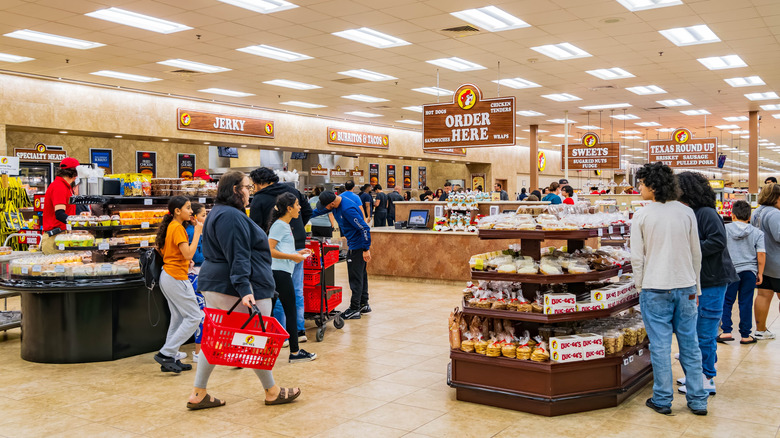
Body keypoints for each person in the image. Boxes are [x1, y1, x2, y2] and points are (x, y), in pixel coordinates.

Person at [188, 171, 300, 410]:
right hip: (239, 288)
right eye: (247, 187)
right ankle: (272, 391)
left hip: (219, 285)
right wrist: (245, 289)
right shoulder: (231, 216)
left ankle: (199, 393)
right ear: (236, 190)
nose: (251, 191)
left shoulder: (219, 213)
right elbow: (238, 255)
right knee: (255, 340)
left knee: (215, 340)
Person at [630, 162, 708, 416]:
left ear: (653, 186)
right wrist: (696, 286)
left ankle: (662, 399)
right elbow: (696, 254)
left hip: (654, 287)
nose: (639, 188)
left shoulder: (642, 214)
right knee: (690, 344)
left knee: (660, 346)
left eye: (641, 183)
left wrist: (640, 285)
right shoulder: (686, 213)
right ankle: (698, 399)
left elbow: (637, 258)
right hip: (685, 286)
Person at [675, 172, 738, 396]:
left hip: (713, 280)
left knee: (705, 332)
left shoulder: (706, 213)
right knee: (693, 332)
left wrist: (689, 249)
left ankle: (707, 377)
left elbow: (718, 241)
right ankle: (696, 374)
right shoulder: (690, 213)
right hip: (698, 281)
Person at [249, 167, 312, 344]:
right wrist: (296, 228)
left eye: (253, 185)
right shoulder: (292, 191)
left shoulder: (260, 198)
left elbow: (254, 227)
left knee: (276, 291)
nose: (254, 188)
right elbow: (307, 211)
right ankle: (299, 331)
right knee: (296, 290)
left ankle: (282, 332)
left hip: (274, 249)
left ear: (260, 183)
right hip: (297, 244)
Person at [154, 196, 203, 373]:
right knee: (194, 316)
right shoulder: (177, 228)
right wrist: (198, 232)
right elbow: (189, 254)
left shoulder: (172, 227)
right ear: (177, 211)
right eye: (188, 208)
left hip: (169, 275)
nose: (191, 211)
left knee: (179, 318)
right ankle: (166, 352)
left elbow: (167, 250)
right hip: (176, 277)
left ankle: (171, 356)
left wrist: (182, 260)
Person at [268, 193, 317, 363]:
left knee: (269, 312)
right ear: (289, 208)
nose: (300, 207)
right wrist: (292, 257)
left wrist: (297, 253)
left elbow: (282, 249)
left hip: (281, 272)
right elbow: (270, 250)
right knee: (290, 311)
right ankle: (295, 353)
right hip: (278, 273)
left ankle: (259, 350)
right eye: (297, 204)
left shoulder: (285, 225)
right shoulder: (280, 225)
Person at [312, 191, 371, 320]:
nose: (325, 209)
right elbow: (319, 211)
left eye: (326, 206)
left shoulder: (347, 209)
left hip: (358, 246)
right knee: (361, 275)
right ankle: (363, 304)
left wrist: (366, 248)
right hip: (354, 244)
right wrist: (304, 215)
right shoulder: (336, 204)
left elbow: (364, 228)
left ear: (332, 203)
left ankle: (355, 309)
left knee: (355, 278)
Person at [720, 200, 765, 344]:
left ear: (732, 215)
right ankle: (745, 335)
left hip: (730, 270)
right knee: (746, 302)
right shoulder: (757, 232)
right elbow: (761, 254)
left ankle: (726, 331)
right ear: (749, 217)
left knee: (727, 301)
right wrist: (760, 273)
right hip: (749, 272)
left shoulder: (725, 230)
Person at [751, 183, 780, 340]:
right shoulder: (775, 214)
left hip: (763, 262)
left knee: (763, 295)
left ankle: (760, 330)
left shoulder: (757, 212)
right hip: (777, 262)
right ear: (776, 198)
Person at [41, 157, 80, 255]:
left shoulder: (66, 187)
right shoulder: (59, 186)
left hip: (62, 236)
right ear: (74, 173)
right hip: (55, 238)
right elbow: (59, 214)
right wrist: (79, 224)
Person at [186, 202, 207, 363]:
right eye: (203, 215)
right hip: (195, 274)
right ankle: (199, 352)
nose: (206, 218)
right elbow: (197, 256)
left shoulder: (194, 231)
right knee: (201, 314)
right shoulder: (193, 232)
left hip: (196, 274)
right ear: (194, 218)